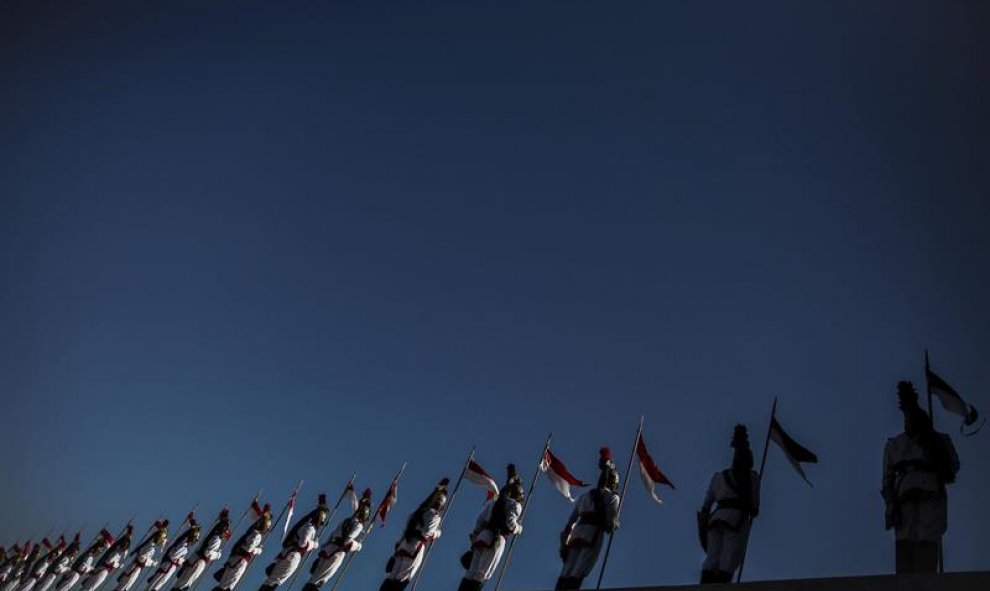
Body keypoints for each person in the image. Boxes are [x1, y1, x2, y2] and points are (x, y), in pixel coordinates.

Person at [883, 381, 960, 574]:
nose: (908, 421)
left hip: (930, 491)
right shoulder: (895, 445)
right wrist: (890, 502)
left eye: (912, 417)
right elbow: (887, 478)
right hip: (904, 496)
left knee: (928, 536)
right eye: (906, 417)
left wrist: (936, 452)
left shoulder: (939, 440)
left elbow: (953, 465)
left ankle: (927, 580)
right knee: (905, 540)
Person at [697, 425, 760, 584]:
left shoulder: (719, 477)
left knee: (713, 557)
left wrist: (703, 522)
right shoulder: (752, 478)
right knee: (729, 558)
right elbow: (754, 507)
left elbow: (706, 506)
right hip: (736, 520)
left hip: (715, 520)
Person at [555, 448, 620, 590]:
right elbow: (609, 522)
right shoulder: (613, 497)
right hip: (593, 534)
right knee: (579, 571)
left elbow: (569, 523)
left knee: (566, 570)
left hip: (575, 535)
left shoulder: (585, 495)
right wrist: (614, 524)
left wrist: (563, 544)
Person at [457, 465, 524, 591]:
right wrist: (518, 528)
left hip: (482, 538)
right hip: (497, 539)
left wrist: (476, 537)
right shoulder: (515, 505)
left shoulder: (494, 502)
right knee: (482, 574)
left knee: (471, 572)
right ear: (519, 495)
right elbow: (510, 523)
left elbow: (480, 520)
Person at [379, 479, 447, 591]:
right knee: (402, 579)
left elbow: (403, 534)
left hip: (403, 545)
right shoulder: (435, 516)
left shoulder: (415, 513)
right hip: (415, 547)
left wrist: (394, 555)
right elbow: (426, 534)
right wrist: (437, 533)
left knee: (391, 577)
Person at [301, 490, 373, 591]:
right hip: (337, 552)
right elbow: (347, 541)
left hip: (327, 550)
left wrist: (321, 553)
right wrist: (358, 546)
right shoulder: (358, 525)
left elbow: (331, 537)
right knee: (317, 582)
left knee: (313, 579)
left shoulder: (346, 520)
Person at [258, 496, 328, 591]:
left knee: (271, 581)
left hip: (288, 553)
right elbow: (303, 543)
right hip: (293, 555)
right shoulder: (310, 528)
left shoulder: (307, 526)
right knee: (273, 582)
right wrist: (313, 544)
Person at [211, 505, 272, 591]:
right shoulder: (257, 535)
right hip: (240, 561)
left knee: (222, 585)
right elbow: (249, 548)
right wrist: (258, 550)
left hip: (234, 559)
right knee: (228, 586)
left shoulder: (251, 532)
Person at [171, 510, 229, 591]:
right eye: (226, 531)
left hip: (195, 559)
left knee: (181, 584)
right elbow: (208, 553)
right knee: (184, 585)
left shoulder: (211, 536)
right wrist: (218, 555)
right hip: (199, 561)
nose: (226, 533)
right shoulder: (217, 539)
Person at [146, 523, 200, 591]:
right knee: (155, 585)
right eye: (194, 539)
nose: (194, 542)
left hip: (169, 565)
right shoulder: (184, 547)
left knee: (156, 584)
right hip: (170, 565)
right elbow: (173, 555)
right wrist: (182, 561)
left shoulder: (183, 545)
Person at [116, 524, 168, 591]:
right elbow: (142, 558)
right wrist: (152, 562)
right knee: (123, 587)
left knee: (123, 586)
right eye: (161, 540)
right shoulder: (151, 548)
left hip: (134, 567)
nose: (161, 542)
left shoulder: (150, 545)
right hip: (135, 568)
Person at [80, 526, 133, 591]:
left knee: (88, 587)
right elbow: (109, 561)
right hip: (102, 570)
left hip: (102, 569)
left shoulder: (117, 551)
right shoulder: (117, 552)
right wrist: (117, 565)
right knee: (89, 587)